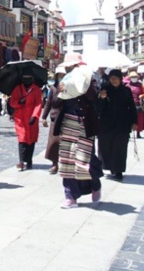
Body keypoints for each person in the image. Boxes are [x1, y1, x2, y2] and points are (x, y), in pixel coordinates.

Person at [55, 53, 103, 209]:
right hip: (68, 122)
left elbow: (93, 98)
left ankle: (95, 185)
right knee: (67, 160)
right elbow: (56, 102)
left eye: (71, 66)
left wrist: (83, 86)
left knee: (85, 158)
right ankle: (70, 196)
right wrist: (59, 90)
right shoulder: (65, 79)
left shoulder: (90, 79)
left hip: (84, 123)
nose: (69, 68)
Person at [96, 69, 137, 181]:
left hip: (122, 124)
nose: (113, 81)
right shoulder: (104, 89)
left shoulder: (126, 91)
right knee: (106, 146)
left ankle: (118, 170)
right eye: (111, 78)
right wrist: (101, 98)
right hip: (106, 124)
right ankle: (108, 167)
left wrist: (134, 122)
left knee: (120, 148)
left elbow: (131, 107)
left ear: (120, 79)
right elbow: (99, 108)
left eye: (116, 78)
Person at [10, 72, 43, 171]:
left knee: (31, 140)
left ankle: (29, 159)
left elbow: (38, 104)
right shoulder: (17, 89)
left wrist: (35, 116)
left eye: (29, 78)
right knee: (22, 138)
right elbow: (12, 102)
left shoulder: (36, 90)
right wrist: (19, 102)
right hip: (20, 119)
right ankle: (21, 161)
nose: (27, 80)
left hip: (31, 119)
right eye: (25, 78)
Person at [42, 67, 65, 174]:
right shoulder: (52, 88)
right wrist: (43, 117)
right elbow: (49, 103)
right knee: (54, 141)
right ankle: (54, 164)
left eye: (63, 75)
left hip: (66, 116)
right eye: (59, 75)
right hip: (55, 117)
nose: (61, 77)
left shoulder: (70, 88)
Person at [126, 71, 144, 138]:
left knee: (139, 119)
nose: (134, 78)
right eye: (132, 77)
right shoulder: (127, 86)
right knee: (128, 119)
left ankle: (138, 132)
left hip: (138, 104)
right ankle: (128, 132)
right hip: (129, 104)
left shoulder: (140, 85)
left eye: (135, 77)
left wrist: (142, 96)